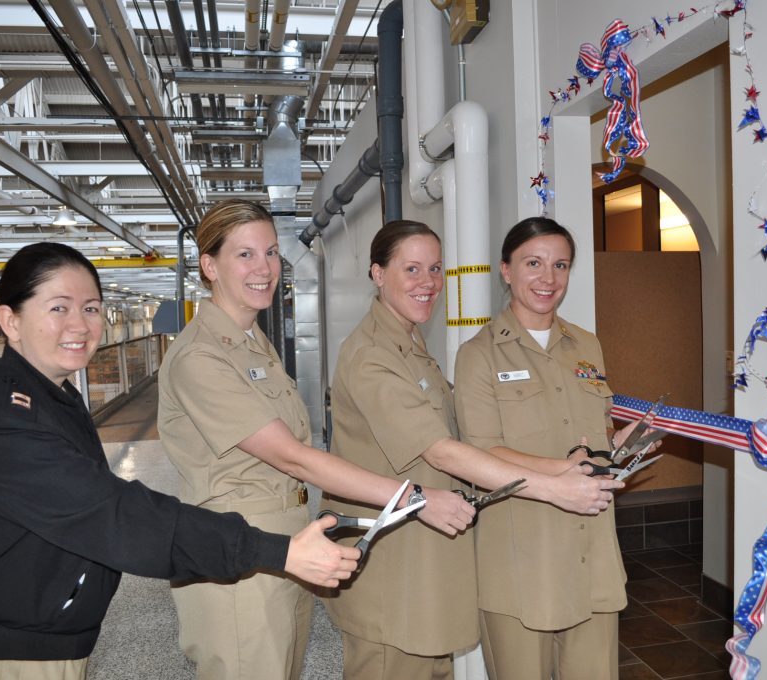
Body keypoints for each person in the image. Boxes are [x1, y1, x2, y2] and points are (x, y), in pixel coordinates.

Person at [0, 242, 359, 680]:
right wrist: (276, 551)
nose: (80, 325)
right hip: (3, 662)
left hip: (39, 646)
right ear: (10, 320)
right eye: (58, 308)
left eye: (91, 308)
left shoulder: (51, 396)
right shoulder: (5, 421)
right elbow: (116, 515)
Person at [157, 201, 474, 680]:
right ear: (209, 266)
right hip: (235, 552)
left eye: (270, 252)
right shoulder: (200, 357)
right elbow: (294, 458)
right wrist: (415, 498)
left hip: (284, 543)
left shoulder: (252, 344)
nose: (264, 268)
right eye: (245, 255)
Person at [323, 219, 622, 680]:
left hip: (430, 556)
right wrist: (556, 484)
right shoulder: (375, 354)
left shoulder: (412, 346)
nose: (427, 282)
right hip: (394, 563)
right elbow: (445, 450)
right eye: (412, 269)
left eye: (435, 269)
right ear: (378, 273)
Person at [454, 216, 641, 680]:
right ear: (506, 270)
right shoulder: (478, 354)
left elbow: (596, 435)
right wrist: (563, 468)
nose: (549, 278)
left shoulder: (586, 345)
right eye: (533, 263)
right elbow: (480, 450)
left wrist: (621, 446)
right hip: (522, 562)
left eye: (561, 265)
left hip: (591, 555)